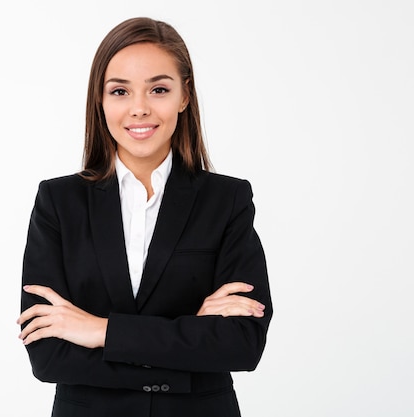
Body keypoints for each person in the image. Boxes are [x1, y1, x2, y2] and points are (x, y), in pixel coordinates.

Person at [17, 17, 273, 417]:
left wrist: (99, 330)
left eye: (158, 89)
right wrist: (190, 333)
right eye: (120, 90)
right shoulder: (58, 201)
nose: (139, 108)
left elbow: (242, 343)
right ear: (100, 100)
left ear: (184, 96)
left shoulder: (227, 200)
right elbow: (48, 356)